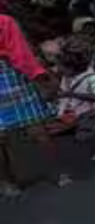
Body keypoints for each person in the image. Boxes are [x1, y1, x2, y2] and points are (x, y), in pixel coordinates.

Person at [0, 15, 65, 196]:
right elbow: (20, 53)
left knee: (29, 131)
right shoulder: (5, 21)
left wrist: (37, 74)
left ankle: (6, 183)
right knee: (37, 130)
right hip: (12, 74)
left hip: (11, 73)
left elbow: (19, 53)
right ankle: (58, 174)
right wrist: (38, 75)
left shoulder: (5, 22)